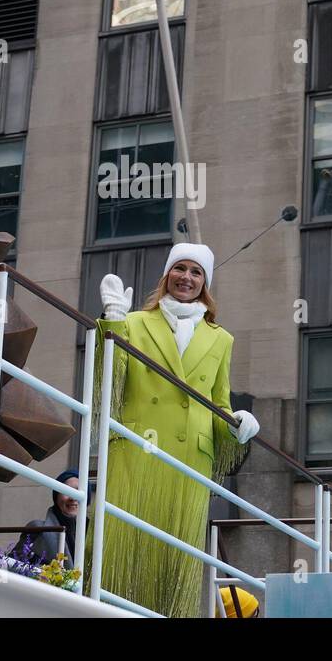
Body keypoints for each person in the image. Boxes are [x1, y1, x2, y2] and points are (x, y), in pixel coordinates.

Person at [91, 243, 260, 618]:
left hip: (189, 459)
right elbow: (110, 379)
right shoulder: (134, 322)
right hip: (137, 449)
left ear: (205, 283)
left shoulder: (222, 339)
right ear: (167, 275)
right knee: (122, 544)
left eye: (196, 272)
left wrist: (236, 425)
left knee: (175, 556)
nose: (186, 277)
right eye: (180, 269)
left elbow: (217, 402)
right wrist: (114, 321)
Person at [10, 469, 81, 568]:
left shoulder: (95, 535)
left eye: (78, 492)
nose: (73, 498)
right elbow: (13, 564)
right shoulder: (37, 528)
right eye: (66, 491)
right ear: (56, 497)